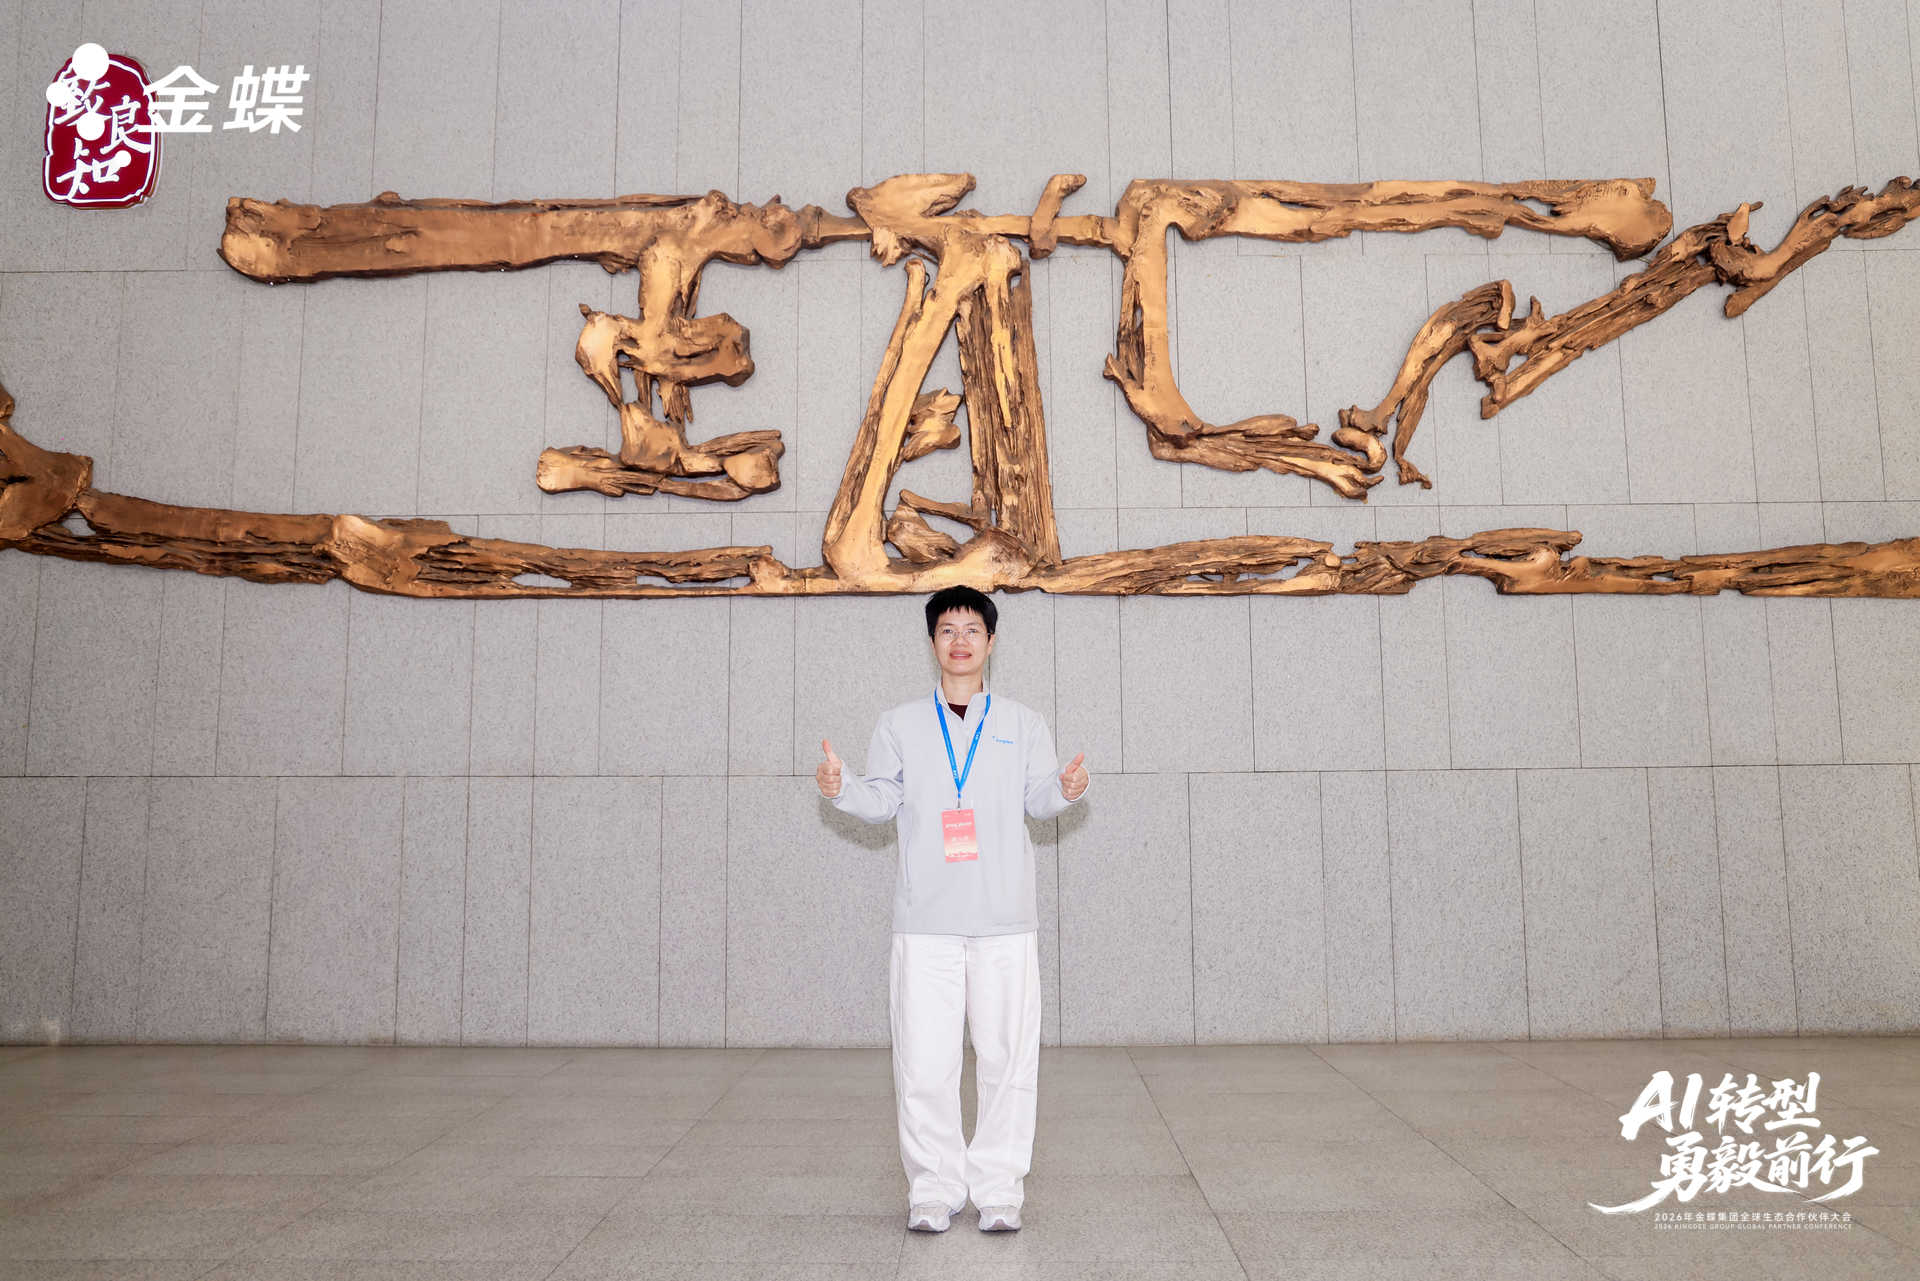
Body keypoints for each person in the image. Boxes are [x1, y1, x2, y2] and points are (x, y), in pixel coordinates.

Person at [816, 585, 1089, 1234]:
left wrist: (1067, 789)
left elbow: (1040, 799)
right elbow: (881, 800)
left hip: (1004, 920)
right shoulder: (900, 723)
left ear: (991, 641)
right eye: (947, 629)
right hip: (926, 921)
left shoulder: (1022, 722)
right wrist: (841, 787)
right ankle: (933, 1189)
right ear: (933, 641)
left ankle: (999, 1190)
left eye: (971, 629)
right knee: (924, 1062)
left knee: (1007, 1060)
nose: (959, 640)